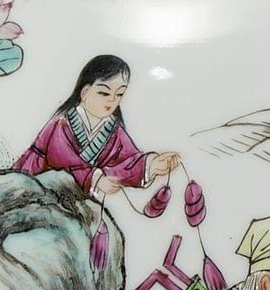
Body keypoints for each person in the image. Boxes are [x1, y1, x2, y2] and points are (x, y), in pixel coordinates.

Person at [18, 53, 183, 210]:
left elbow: (128, 161)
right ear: (85, 92)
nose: (112, 100)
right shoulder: (60, 125)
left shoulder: (114, 131)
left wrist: (152, 165)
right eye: (104, 93)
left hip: (81, 203)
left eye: (119, 94)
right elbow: (62, 160)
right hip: (41, 193)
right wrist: (95, 179)